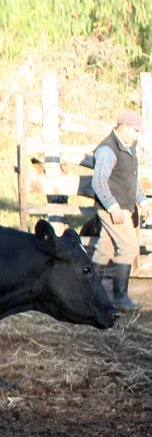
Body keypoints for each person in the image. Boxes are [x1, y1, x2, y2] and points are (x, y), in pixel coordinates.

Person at [89, 110, 146, 312]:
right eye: (134, 130)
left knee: (105, 251)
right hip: (114, 209)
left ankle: (89, 293)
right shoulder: (108, 150)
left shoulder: (129, 147)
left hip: (122, 207)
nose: (137, 135)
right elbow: (99, 183)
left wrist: (142, 201)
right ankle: (120, 297)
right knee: (130, 247)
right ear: (122, 125)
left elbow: (132, 178)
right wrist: (112, 207)